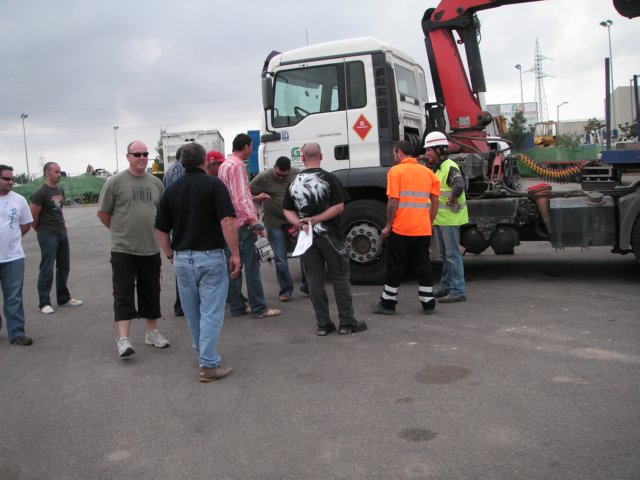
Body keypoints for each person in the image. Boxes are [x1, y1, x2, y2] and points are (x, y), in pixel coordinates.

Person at [156, 142, 241, 382]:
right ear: (204, 160)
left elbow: (161, 230)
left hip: (182, 258)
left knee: (193, 312)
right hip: (210, 256)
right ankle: (208, 364)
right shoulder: (214, 185)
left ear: (181, 162)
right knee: (211, 312)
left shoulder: (171, 191)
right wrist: (235, 254)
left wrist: (171, 255)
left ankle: (203, 353)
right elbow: (227, 221)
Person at [283, 143, 366, 336]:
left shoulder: (294, 182)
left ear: (302, 158)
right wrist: (314, 220)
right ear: (321, 156)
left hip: (307, 237)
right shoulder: (330, 179)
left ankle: (323, 324)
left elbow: (286, 209)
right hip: (331, 236)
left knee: (314, 279)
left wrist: (300, 223)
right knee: (340, 277)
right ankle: (346, 322)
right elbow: (338, 207)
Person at [97, 140, 170, 358]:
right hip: (123, 250)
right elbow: (103, 212)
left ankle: (152, 333)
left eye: (145, 154)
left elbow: (163, 214)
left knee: (151, 291)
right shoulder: (115, 182)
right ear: (127, 156)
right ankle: (123, 339)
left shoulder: (156, 183)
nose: (142, 157)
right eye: (136, 154)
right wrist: (120, 231)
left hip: (150, 248)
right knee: (123, 293)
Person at [369, 140, 440, 315]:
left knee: (395, 266)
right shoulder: (428, 172)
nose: (394, 156)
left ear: (400, 153)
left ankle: (388, 303)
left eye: (395, 153)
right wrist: (428, 222)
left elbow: (393, 201)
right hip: (422, 229)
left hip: (401, 229)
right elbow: (435, 201)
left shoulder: (396, 171)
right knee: (423, 265)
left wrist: (387, 226)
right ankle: (428, 303)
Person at [217, 133, 281, 318]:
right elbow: (238, 198)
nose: (251, 151)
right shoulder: (237, 166)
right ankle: (259, 308)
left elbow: (231, 195)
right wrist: (254, 220)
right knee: (252, 267)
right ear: (245, 147)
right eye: (251, 147)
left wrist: (254, 198)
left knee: (233, 266)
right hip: (242, 224)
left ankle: (237, 306)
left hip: (228, 225)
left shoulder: (224, 165)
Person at [30, 162, 83, 314]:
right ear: (47, 173)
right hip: (47, 235)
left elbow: (58, 210)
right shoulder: (40, 192)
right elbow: (33, 216)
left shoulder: (60, 190)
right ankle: (44, 302)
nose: (59, 174)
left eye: (60, 171)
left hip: (61, 232)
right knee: (47, 268)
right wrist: (41, 230)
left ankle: (63, 297)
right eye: (56, 171)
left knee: (64, 266)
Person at [249, 156, 302, 302]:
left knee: (305, 255)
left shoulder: (296, 173)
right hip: (275, 224)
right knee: (280, 260)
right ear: (274, 167)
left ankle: (307, 286)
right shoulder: (264, 177)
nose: (280, 178)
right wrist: (257, 197)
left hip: (294, 223)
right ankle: (286, 290)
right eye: (278, 174)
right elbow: (246, 192)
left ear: (289, 171)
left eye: (283, 176)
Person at [424, 131, 468, 303]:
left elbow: (459, 186)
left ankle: (457, 291)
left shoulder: (449, 166)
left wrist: (451, 201)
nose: (427, 153)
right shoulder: (440, 168)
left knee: (452, 255)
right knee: (444, 255)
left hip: (449, 219)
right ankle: (445, 287)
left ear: (439, 150)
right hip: (441, 219)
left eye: (429, 150)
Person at [0, 165, 33, 346]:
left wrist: (11, 240)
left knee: (13, 297)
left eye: (12, 178)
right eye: (6, 179)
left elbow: (26, 224)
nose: (11, 182)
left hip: (13, 257)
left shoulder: (19, 200)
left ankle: (17, 332)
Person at [162, 146, 185, 316]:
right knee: (183, 264)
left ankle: (181, 304)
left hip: (173, 222)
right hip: (180, 223)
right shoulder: (179, 171)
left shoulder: (169, 171)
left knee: (181, 264)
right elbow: (180, 197)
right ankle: (182, 305)